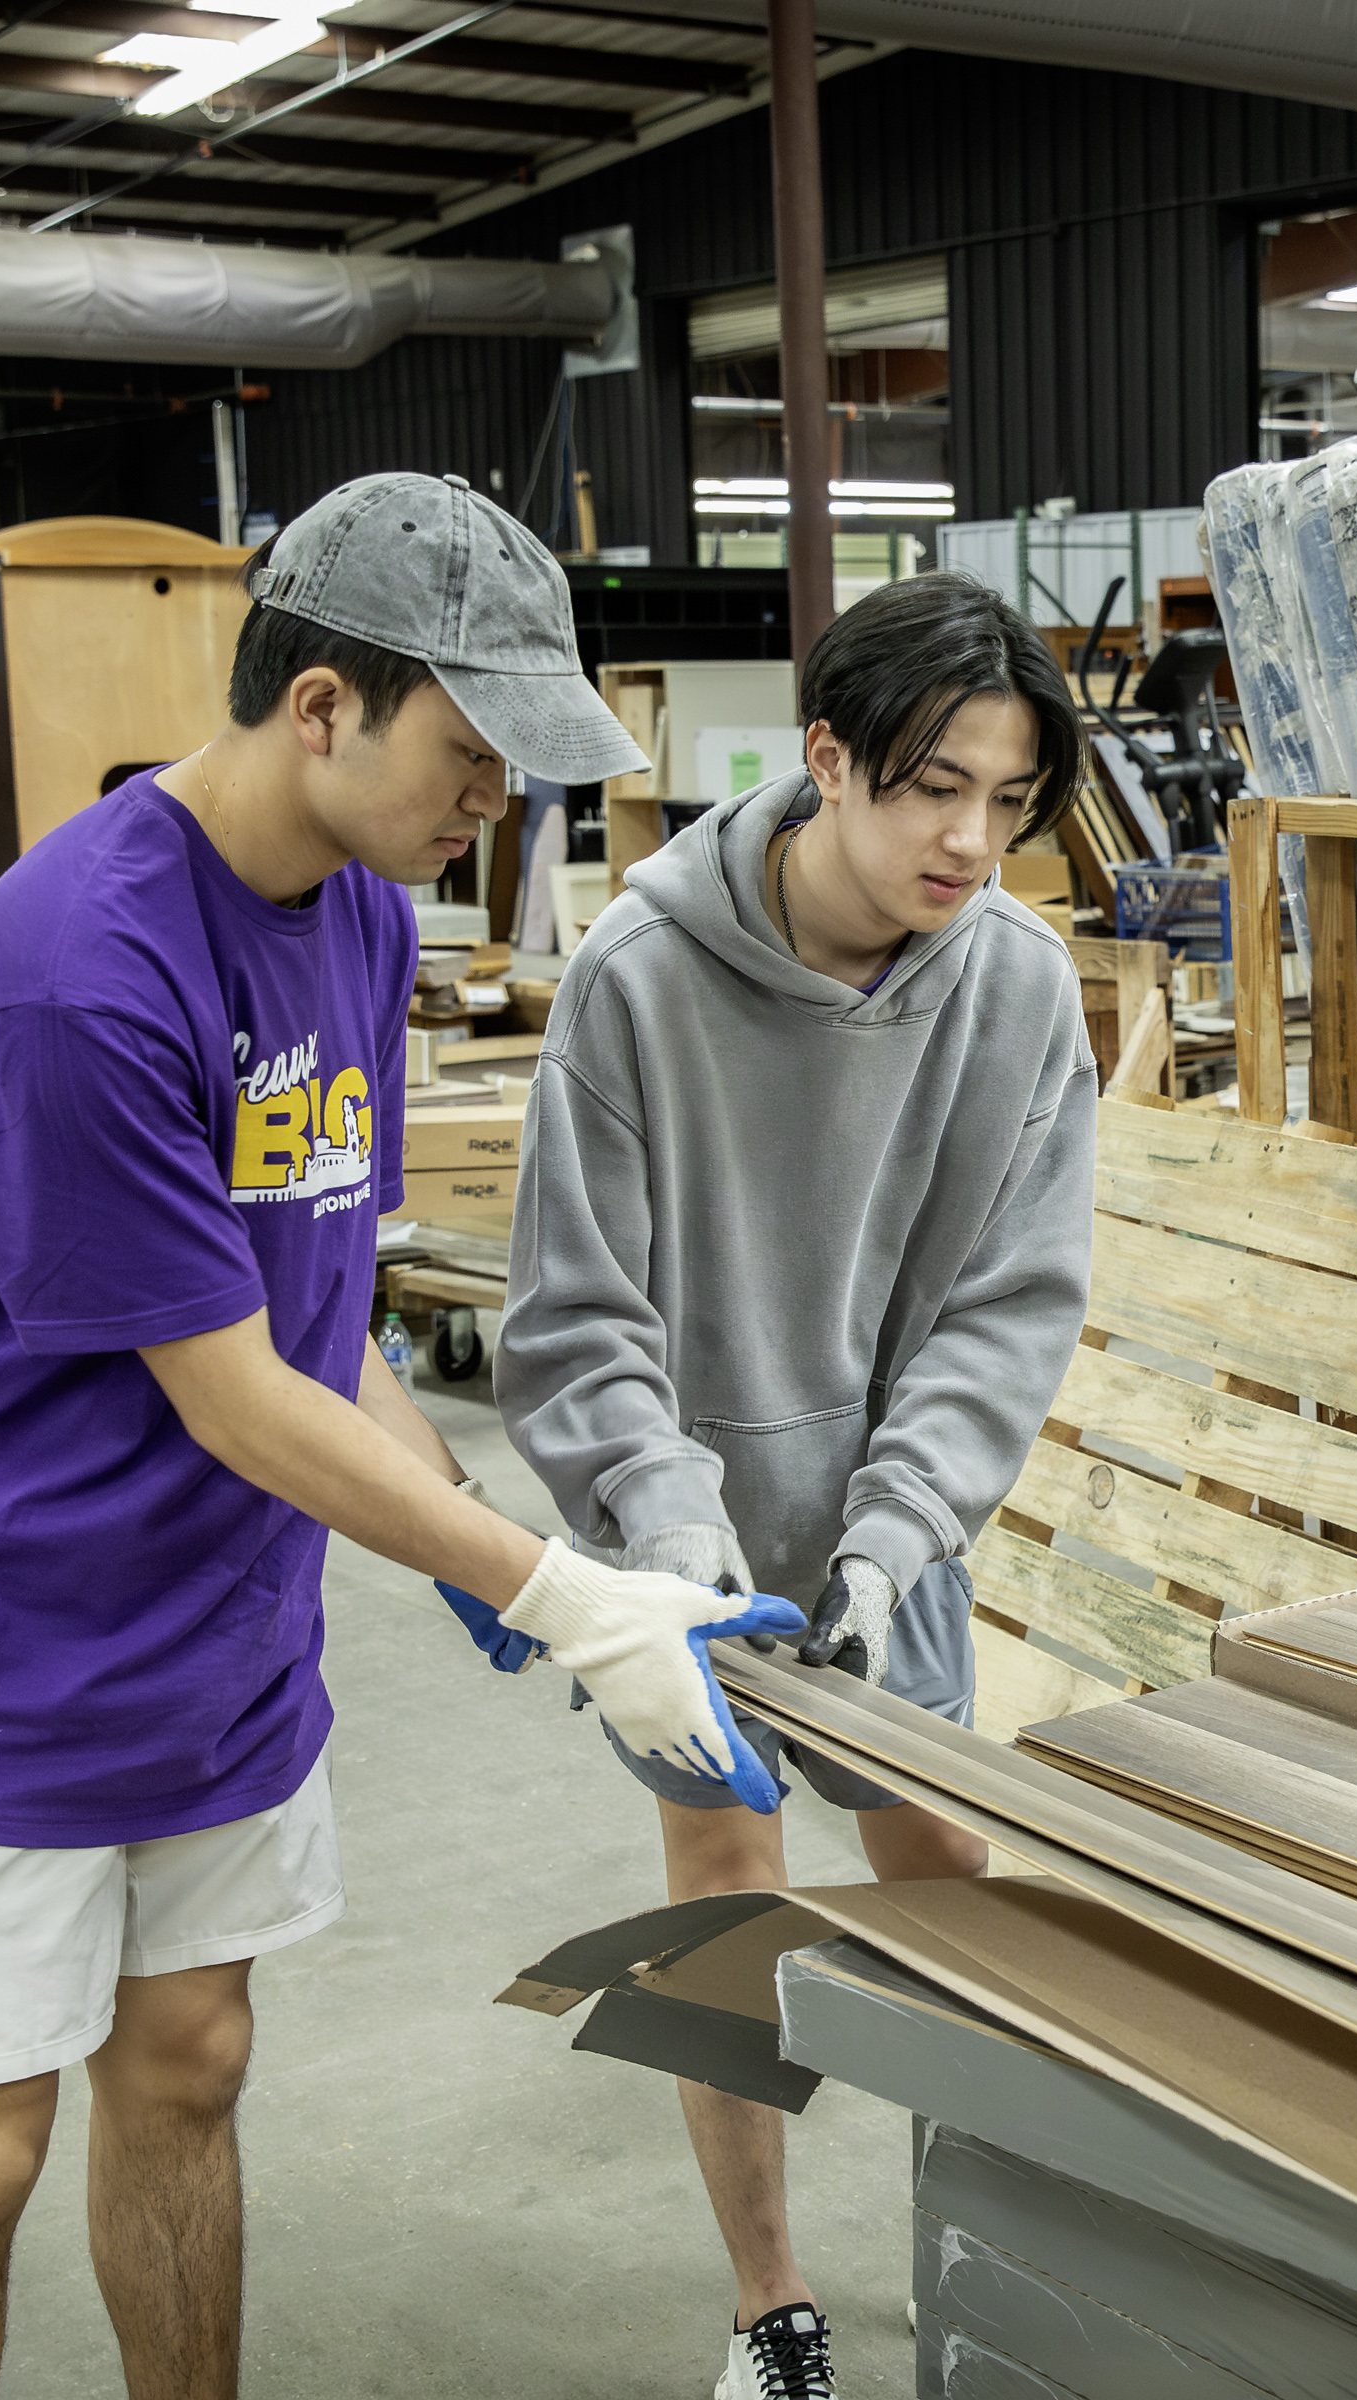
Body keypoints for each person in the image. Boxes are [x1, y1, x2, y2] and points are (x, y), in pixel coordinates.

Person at [0, 471, 801, 2400]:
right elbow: (228, 1387)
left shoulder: (352, 917)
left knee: (191, 2064)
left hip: (209, 1625)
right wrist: (560, 1586)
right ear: (323, 706)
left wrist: (464, 1527)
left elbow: (318, 1316)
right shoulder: (85, 965)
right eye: (474, 749)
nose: (503, 799)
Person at [499, 571, 1099, 2400]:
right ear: (824, 760)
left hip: (890, 1542)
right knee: (728, 1901)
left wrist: (899, 1530)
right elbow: (581, 1321)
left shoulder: (1016, 988)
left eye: (1008, 801)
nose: (972, 841)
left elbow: (1004, 1311)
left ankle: (991, 2239)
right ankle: (773, 2311)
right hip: (679, 1564)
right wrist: (674, 1555)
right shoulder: (636, 979)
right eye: (934, 787)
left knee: (946, 1881)